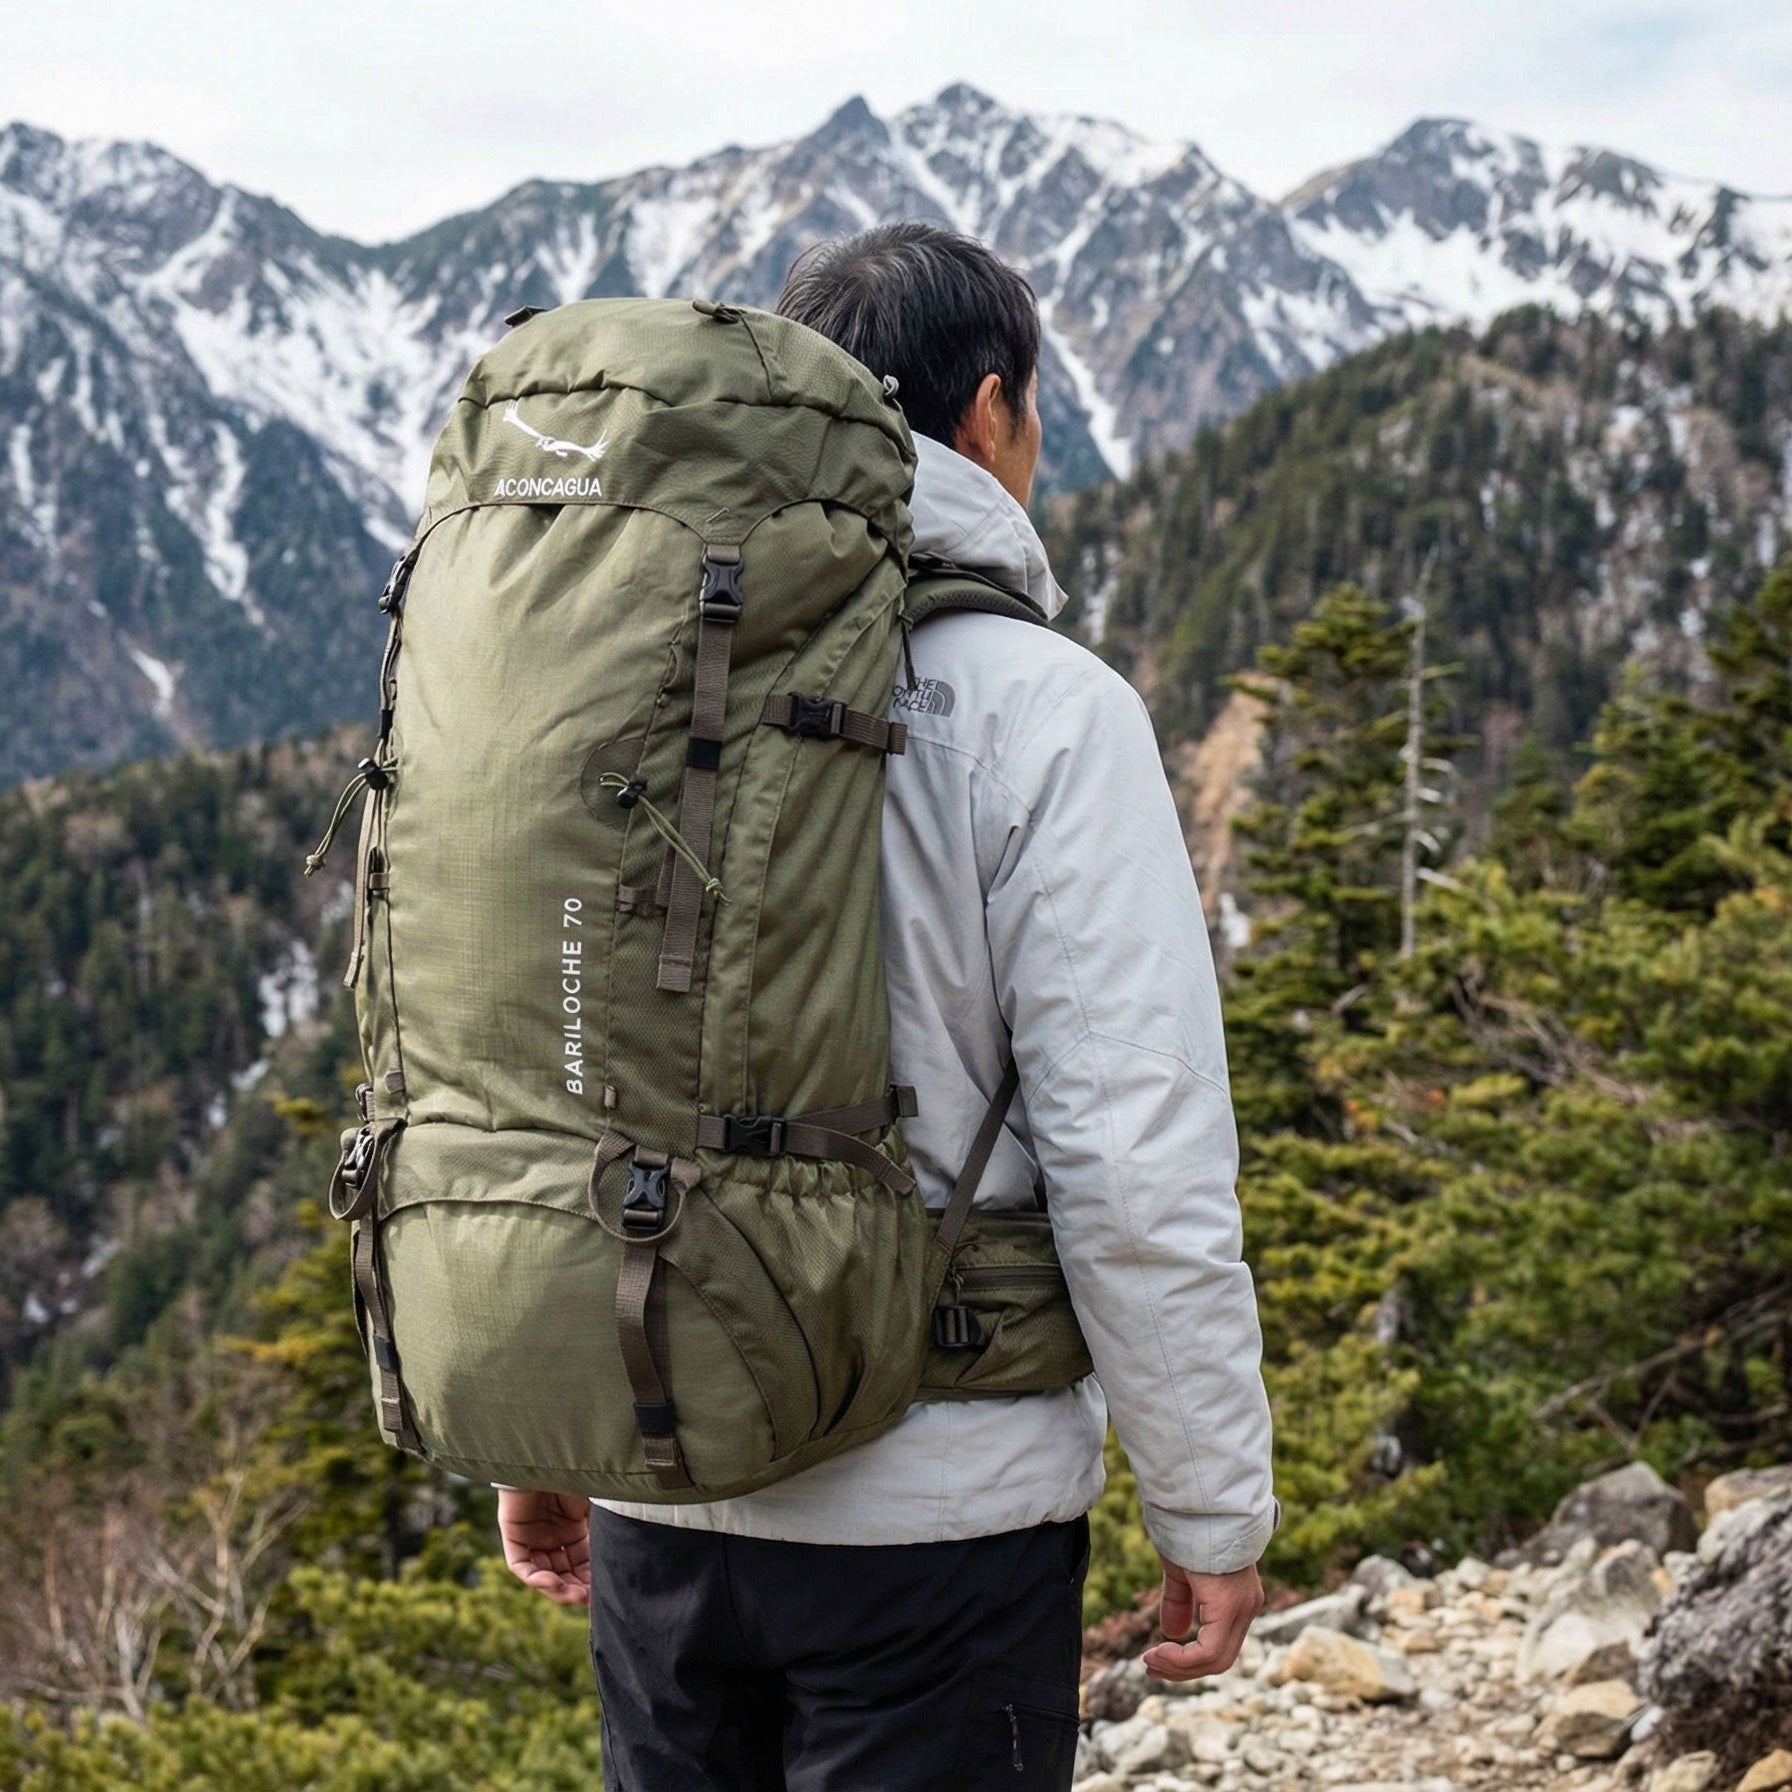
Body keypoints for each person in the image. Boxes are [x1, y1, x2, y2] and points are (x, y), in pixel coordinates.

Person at [496, 221, 1277, 1791]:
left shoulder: (636, 675)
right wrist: (1206, 1510)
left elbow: (552, 1054)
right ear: (992, 415)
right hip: (938, 1527)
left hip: (662, 1479)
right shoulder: (1046, 712)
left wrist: (547, 1423)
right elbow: (1135, 1160)